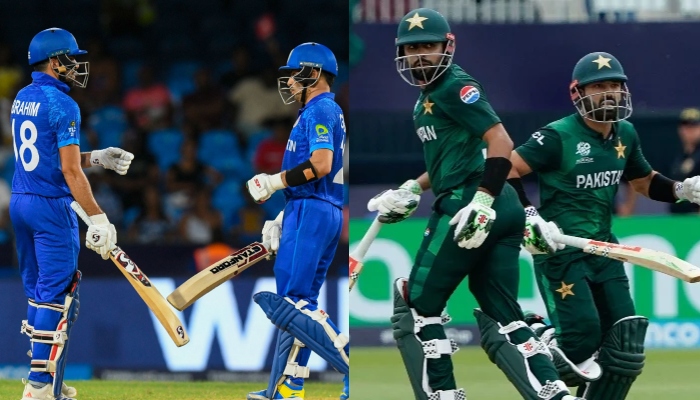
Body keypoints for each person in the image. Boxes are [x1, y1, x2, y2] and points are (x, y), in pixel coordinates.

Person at [369, 9, 584, 400]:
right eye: (411, 48)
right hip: (496, 205)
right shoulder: (430, 97)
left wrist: (482, 201)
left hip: (471, 202)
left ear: (447, 47)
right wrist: (412, 188)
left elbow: (500, 141)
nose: (419, 56)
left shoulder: (455, 85)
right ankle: (553, 393)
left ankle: (445, 393)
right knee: (505, 313)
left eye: (427, 47)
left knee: (417, 304)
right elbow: (450, 160)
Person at [507, 51, 700, 399]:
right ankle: (538, 336)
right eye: (598, 86)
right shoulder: (557, 136)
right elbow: (505, 168)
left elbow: (642, 182)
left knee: (624, 342)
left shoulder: (625, 133)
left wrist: (681, 189)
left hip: (605, 250)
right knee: (581, 341)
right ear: (577, 92)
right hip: (560, 249)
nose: (608, 93)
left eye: (614, 85)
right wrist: (529, 215)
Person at [10, 28, 134, 400]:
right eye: (70, 59)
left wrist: (97, 157)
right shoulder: (64, 104)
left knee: (38, 294)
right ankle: (38, 386)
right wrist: (98, 217)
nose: (76, 66)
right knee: (56, 295)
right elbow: (68, 172)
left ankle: (49, 379)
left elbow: (51, 159)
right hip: (50, 206)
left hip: (21, 201)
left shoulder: (22, 97)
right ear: (54, 61)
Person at [244, 42, 349, 400]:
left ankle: (350, 367)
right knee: (300, 302)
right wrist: (284, 213)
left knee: (293, 303)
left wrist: (274, 182)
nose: (288, 83)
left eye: (292, 75)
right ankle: (287, 386)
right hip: (316, 209)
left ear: (313, 74)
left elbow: (320, 165)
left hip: (314, 211)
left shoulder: (320, 109)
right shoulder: (323, 111)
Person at [668, 107, 700, 214]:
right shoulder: (679, 155)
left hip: (695, 216)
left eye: (694, 127)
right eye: (686, 127)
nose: (689, 131)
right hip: (678, 215)